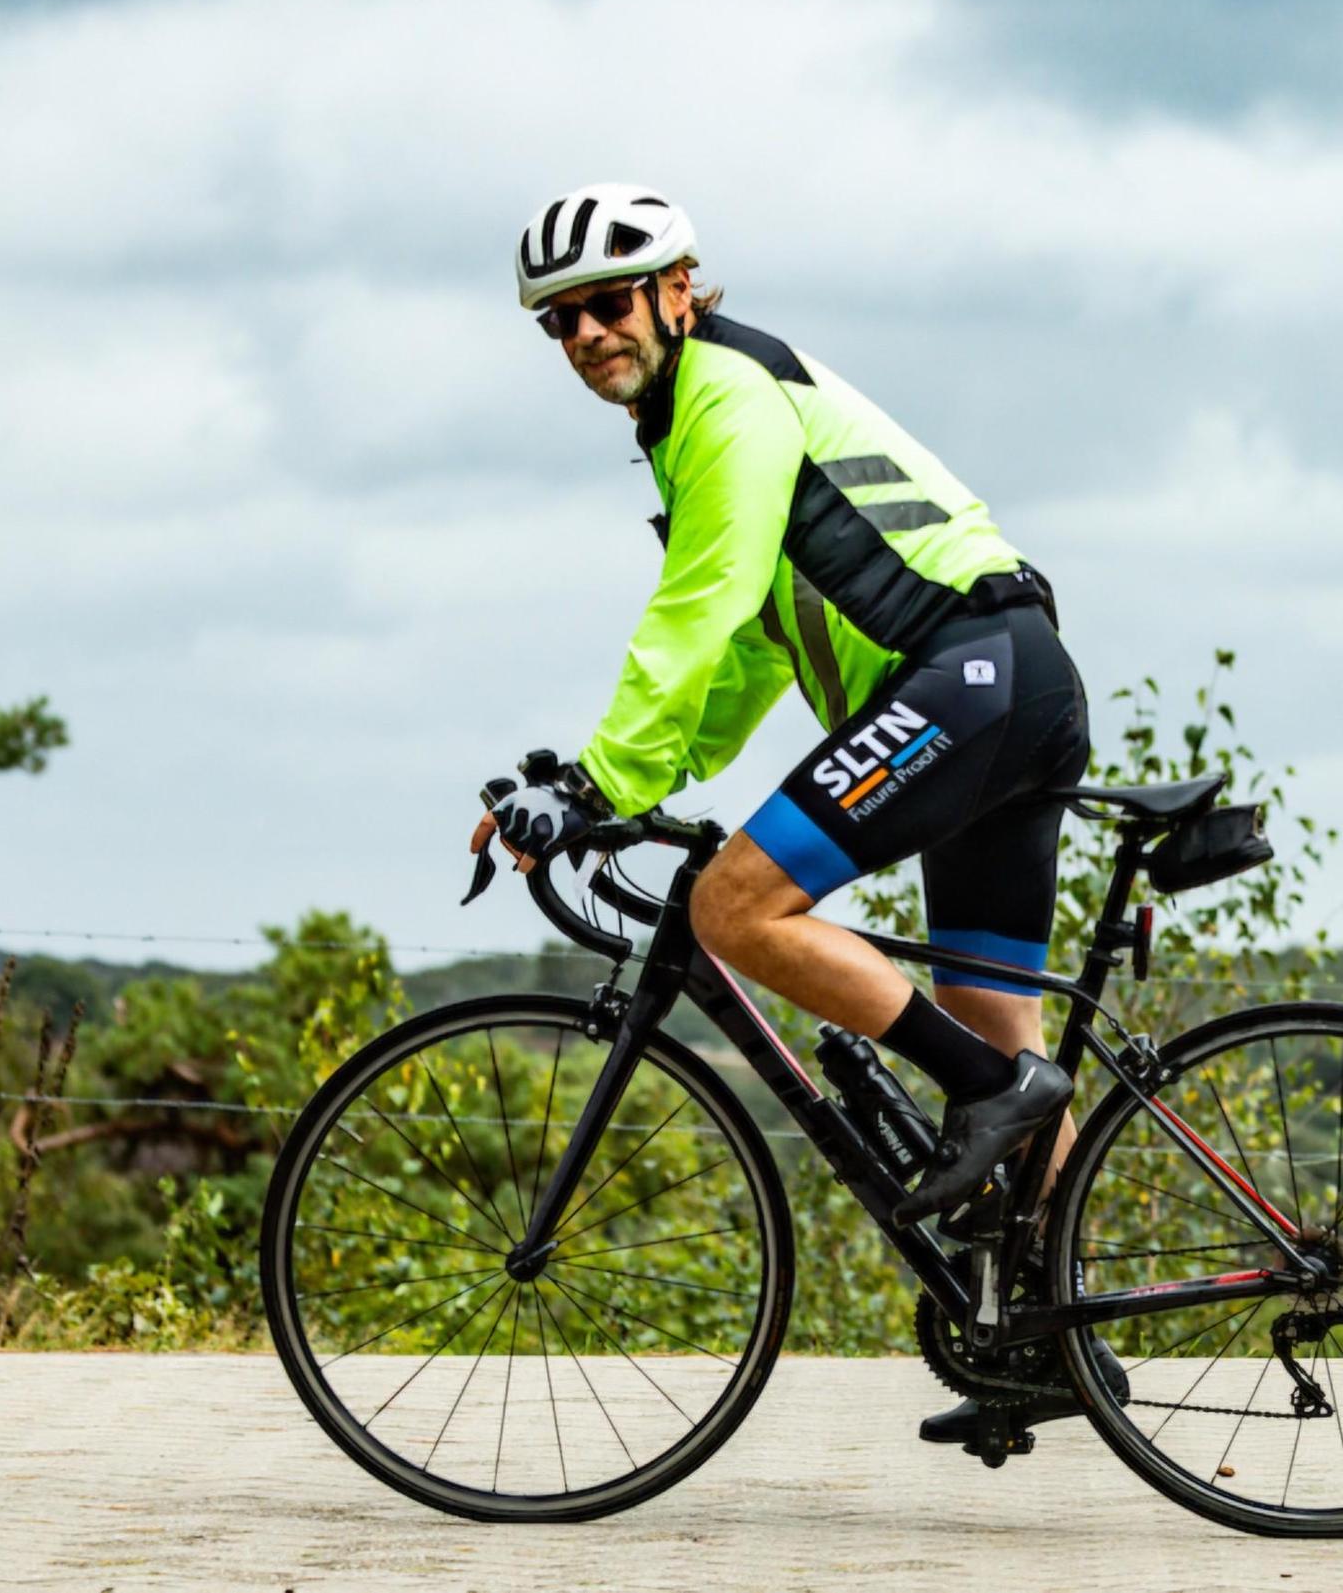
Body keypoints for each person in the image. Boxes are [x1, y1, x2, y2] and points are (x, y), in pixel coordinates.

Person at [471, 183, 1125, 1442]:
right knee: (995, 1022)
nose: (587, 334)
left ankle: (993, 1092)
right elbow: (751, 648)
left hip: (968, 676)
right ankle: (1049, 1342)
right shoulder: (692, 418)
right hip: (1006, 683)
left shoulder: (723, 395)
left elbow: (702, 596)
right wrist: (628, 785)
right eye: (560, 322)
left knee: (733, 907)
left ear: (676, 288)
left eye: (607, 302)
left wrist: (594, 782)